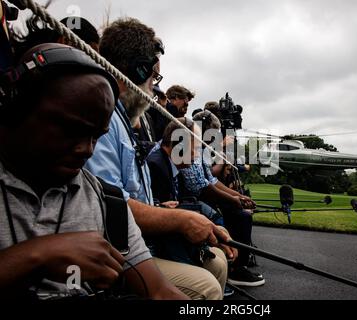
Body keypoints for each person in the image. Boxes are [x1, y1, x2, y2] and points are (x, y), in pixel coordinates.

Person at [0, 43, 187, 300]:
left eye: (96, 137)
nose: (86, 149)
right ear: (13, 109)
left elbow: (159, 291)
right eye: (70, 129)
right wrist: (37, 256)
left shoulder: (108, 203)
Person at [84, 18, 231, 300]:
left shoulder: (124, 121)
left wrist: (164, 209)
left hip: (139, 243)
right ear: (138, 70)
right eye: (154, 77)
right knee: (207, 287)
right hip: (117, 255)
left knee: (216, 263)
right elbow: (108, 204)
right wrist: (179, 219)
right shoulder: (107, 119)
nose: (153, 87)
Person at [179, 111, 265, 287]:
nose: (216, 138)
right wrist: (233, 199)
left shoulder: (201, 149)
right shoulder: (190, 148)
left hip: (202, 198)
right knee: (237, 216)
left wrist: (238, 196)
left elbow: (211, 180)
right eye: (214, 133)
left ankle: (236, 265)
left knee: (240, 214)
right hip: (189, 201)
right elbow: (200, 186)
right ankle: (233, 267)